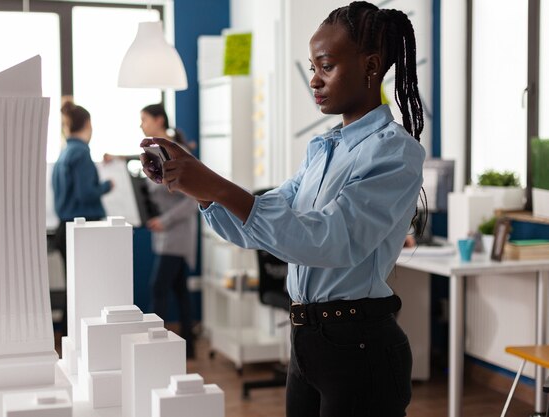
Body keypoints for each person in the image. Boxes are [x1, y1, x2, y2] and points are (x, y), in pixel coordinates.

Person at [140, 2, 425, 416]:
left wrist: (215, 184)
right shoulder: (322, 148)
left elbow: (328, 240)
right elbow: (258, 224)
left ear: (371, 65)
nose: (314, 79)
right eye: (312, 66)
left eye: (325, 66)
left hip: (359, 348)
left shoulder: (395, 152)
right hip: (308, 343)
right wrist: (198, 188)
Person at [139, 104, 199, 359]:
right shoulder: (154, 152)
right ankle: (189, 346)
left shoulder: (176, 151)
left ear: (158, 120)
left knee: (158, 288)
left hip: (177, 234)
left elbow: (192, 198)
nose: (141, 125)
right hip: (167, 234)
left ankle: (158, 348)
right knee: (179, 290)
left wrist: (165, 219)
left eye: (144, 119)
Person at [52, 100, 113, 264]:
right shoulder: (81, 153)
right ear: (88, 123)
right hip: (83, 230)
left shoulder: (65, 153)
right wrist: (107, 185)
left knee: (74, 287)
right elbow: (86, 194)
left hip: (65, 228)